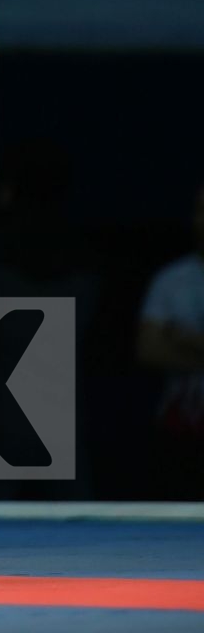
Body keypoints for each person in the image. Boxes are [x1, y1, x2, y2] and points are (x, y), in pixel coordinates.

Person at [136, 184, 204, 499]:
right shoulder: (170, 280)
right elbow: (149, 350)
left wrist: (185, 339)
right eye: (201, 209)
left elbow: (166, 344)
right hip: (182, 427)